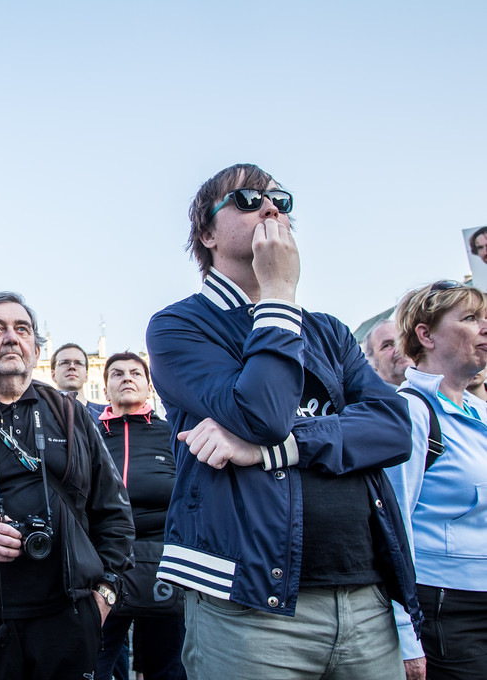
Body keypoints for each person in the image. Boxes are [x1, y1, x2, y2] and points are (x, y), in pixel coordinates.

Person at [146, 163, 420, 680]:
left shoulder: (327, 331)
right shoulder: (178, 326)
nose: (271, 209)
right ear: (206, 233)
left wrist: (277, 450)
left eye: (281, 201)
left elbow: (391, 427)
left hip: (363, 595)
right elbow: (263, 413)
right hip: (249, 610)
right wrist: (276, 293)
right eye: (247, 200)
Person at [0, 291, 134, 680]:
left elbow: (114, 515)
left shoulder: (73, 417)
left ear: (35, 348)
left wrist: (105, 595)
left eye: (22, 329)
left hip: (68, 624)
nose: (11, 337)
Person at [388, 281, 487, 679]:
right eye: (470, 319)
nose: (484, 328)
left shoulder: (479, 412)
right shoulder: (410, 412)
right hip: (447, 610)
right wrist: (406, 637)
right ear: (424, 335)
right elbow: (393, 529)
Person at [94, 352, 185, 680]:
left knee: (167, 667)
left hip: (164, 566)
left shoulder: (173, 434)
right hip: (104, 567)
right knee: (93, 665)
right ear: (106, 390)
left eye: (135, 373)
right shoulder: (89, 435)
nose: (127, 378)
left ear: (149, 387)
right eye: (117, 374)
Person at [51, 342, 106, 417]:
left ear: (86, 375)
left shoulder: (104, 415)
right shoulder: (40, 415)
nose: (72, 366)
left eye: (79, 363)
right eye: (64, 362)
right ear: (53, 375)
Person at [365, 319, 415, 386]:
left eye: (403, 340)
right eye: (387, 345)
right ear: (371, 362)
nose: (400, 348)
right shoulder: (371, 395)